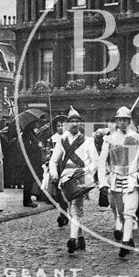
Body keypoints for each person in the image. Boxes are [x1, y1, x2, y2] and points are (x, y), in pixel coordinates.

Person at [98, 106, 139, 257]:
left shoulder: (138, 137)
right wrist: (103, 182)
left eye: (125, 120)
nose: (122, 123)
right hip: (115, 179)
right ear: (116, 121)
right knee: (121, 212)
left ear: (129, 121)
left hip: (132, 177)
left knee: (129, 212)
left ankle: (125, 242)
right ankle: (129, 239)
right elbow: (102, 161)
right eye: (120, 120)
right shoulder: (108, 139)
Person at [50, 107, 99, 254]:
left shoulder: (88, 140)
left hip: (80, 177)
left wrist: (85, 171)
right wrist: (53, 173)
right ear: (67, 124)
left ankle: (72, 240)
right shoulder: (61, 140)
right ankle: (81, 238)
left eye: (77, 121)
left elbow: (95, 161)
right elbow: (53, 161)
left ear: (81, 124)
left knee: (76, 207)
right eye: (71, 121)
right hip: (65, 178)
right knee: (72, 208)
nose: (74, 124)